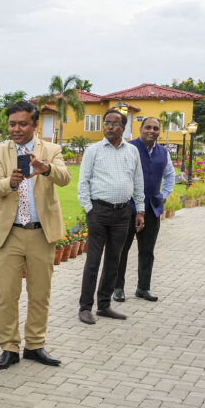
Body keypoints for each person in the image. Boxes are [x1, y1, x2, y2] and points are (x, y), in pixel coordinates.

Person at [0, 101, 71, 369]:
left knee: (39, 293)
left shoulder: (51, 149)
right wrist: (10, 182)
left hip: (40, 232)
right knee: (7, 293)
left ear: (35, 125)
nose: (17, 129)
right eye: (12, 124)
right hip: (10, 233)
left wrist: (45, 167)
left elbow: (65, 177)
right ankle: (9, 347)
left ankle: (35, 345)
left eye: (23, 124)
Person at [77, 108, 145, 325]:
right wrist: (89, 209)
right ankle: (85, 307)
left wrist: (140, 210)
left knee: (114, 261)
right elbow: (83, 183)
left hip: (123, 213)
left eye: (114, 123)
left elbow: (138, 182)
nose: (109, 126)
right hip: (99, 212)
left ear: (123, 128)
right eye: (106, 122)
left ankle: (104, 305)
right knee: (93, 261)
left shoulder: (132, 151)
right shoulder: (93, 150)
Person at [113, 117, 176, 303]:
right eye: (147, 127)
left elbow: (170, 174)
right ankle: (117, 287)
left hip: (151, 209)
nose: (151, 131)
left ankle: (143, 288)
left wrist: (164, 195)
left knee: (147, 250)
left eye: (155, 128)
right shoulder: (128, 148)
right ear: (140, 129)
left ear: (159, 132)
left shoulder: (163, 152)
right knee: (121, 250)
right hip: (127, 208)